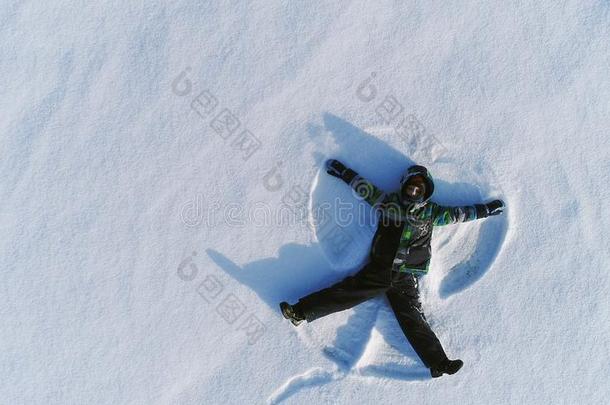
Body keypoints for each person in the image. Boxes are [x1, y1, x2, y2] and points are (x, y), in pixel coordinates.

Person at [280, 159, 505, 378]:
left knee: (412, 318)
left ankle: (439, 363)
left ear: (427, 191)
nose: (415, 189)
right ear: (404, 186)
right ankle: (300, 312)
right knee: (344, 293)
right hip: (380, 269)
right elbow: (365, 189)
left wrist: (485, 209)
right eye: (411, 185)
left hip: (407, 275)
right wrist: (343, 172)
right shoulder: (388, 203)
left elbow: (460, 214)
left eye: (420, 186)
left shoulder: (432, 213)